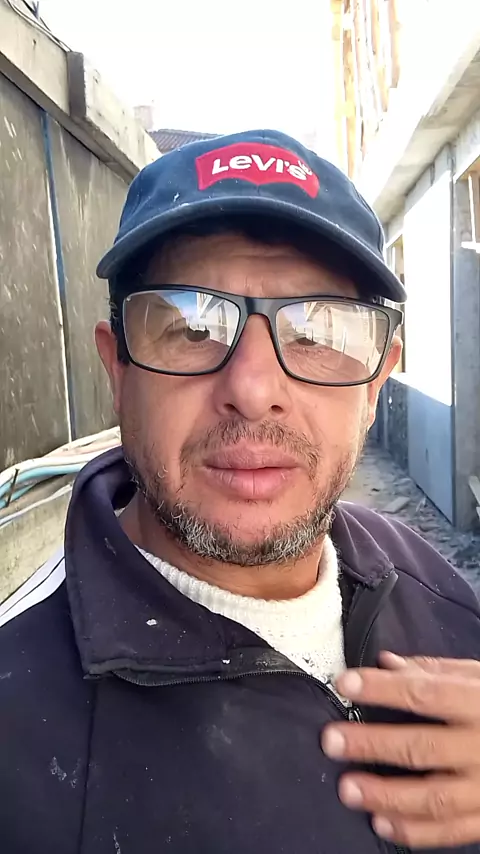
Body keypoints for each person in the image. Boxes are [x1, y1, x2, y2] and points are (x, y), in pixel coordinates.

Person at [1, 129, 480, 854]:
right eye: (192, 326)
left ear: (375, 385)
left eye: (317, 331)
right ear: (118, 371)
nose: (253, 391)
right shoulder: (20, 740)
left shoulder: (430, 582)